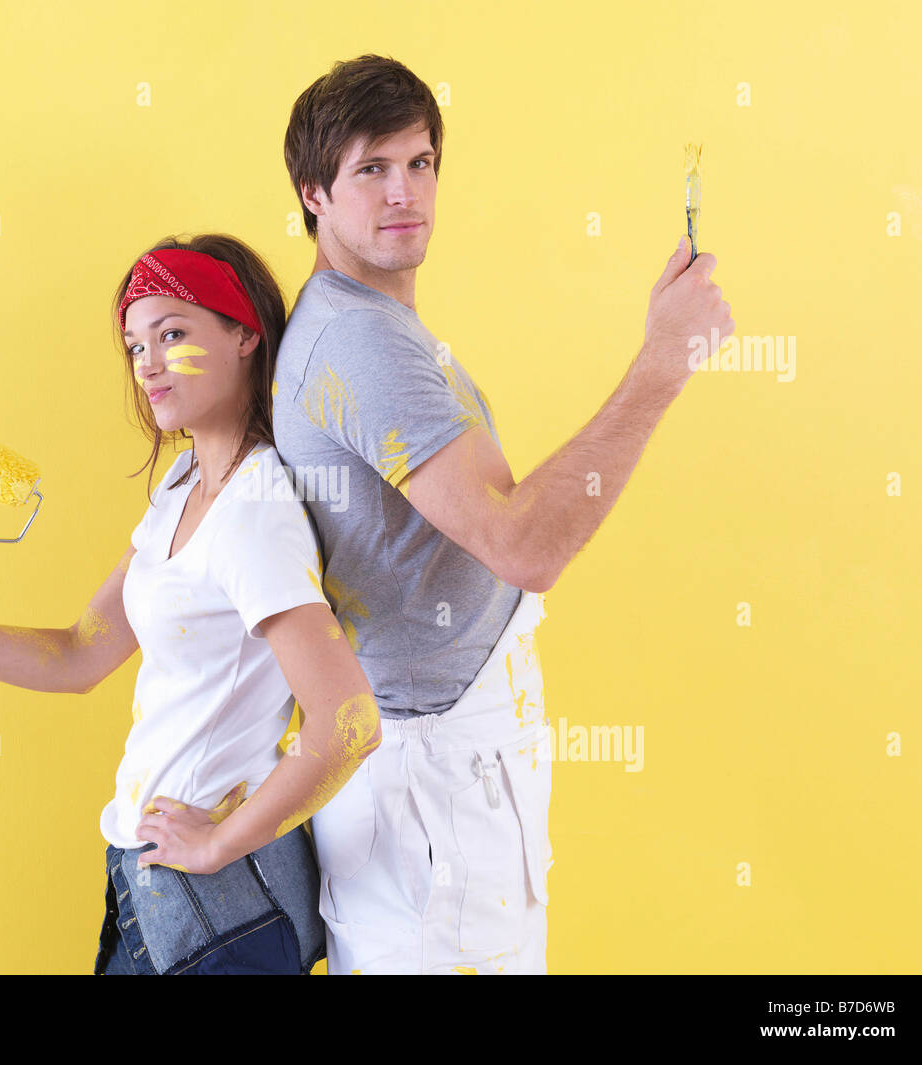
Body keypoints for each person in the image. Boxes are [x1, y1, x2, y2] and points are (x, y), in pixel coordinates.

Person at [274, 55, 734, 974]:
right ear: (313, 193)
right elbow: (525, 544)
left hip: (438, 778)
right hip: (440, 790)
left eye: (420, 163)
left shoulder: (358, 318)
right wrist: (662, 365)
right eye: (372, 169)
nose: (405, 192)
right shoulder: (364, 344)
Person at [0, 234, 383, 975]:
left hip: (219, 909)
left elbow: (348, 722)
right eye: (136, 345)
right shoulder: (182, 487)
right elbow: (79, 652)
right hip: (149, 889)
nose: (149, 364)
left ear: (243, 336)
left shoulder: (255, 510)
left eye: (173, 335)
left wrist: (221, 842)